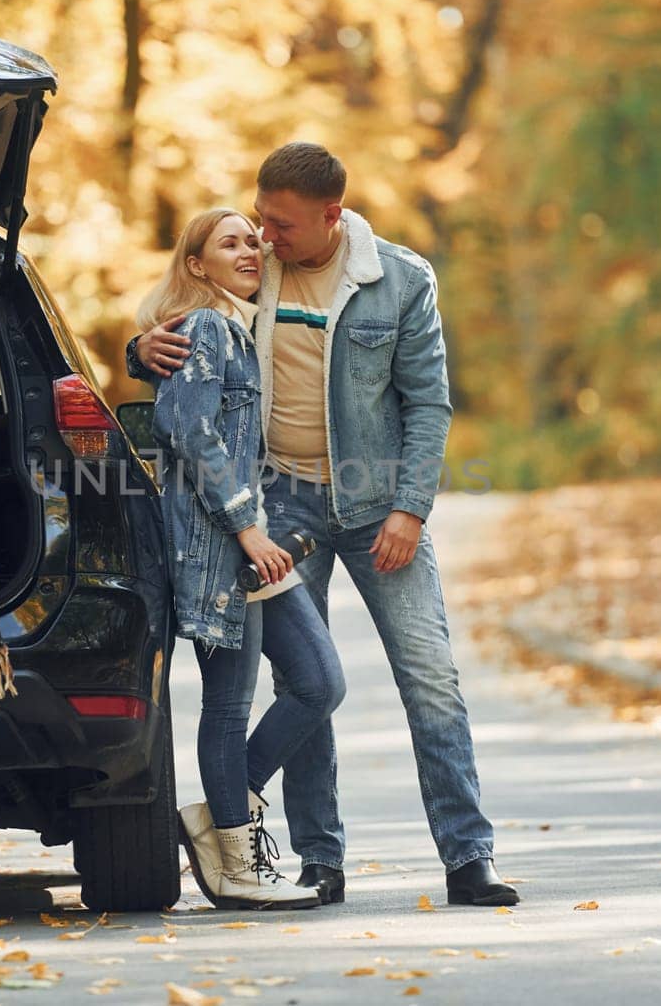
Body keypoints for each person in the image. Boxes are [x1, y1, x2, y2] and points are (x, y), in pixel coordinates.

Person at [126, 144, 517, 907]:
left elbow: (429, 402)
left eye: (282, 225)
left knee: (430, 677)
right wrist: (141, 352)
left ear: (332, 216)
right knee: (302, 680)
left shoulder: (400, 279)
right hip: (279, 503)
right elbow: (190, 340)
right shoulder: (254, 266)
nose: (267, 238)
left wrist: (409, 507)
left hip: (376, 505)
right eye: (259, 222)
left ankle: (469, 856)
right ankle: (318, 857)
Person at [141, 207, 347, 910]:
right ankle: (236, 860)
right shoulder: (203, 326)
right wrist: (244, 528)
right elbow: (186, 426)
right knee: (228, 705)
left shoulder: (240, 327)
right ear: (197, 265)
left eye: (251, 239)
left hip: (250, 539)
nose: (249, 249)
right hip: (220, 545)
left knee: (319, 680)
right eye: (228, 242)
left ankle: (218, 817)